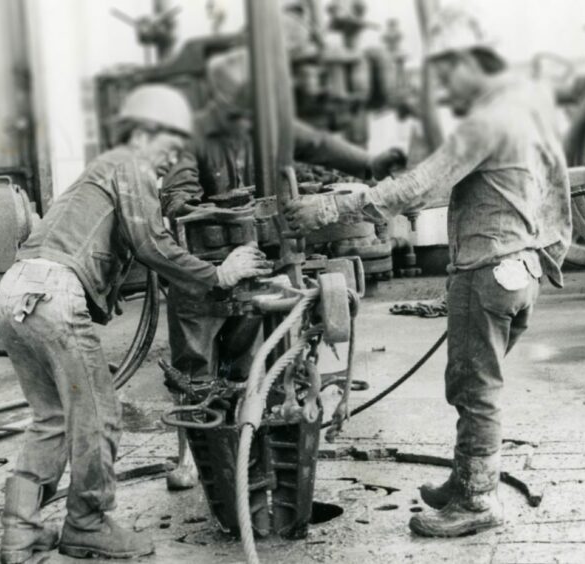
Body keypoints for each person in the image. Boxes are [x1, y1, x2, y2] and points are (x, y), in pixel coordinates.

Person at [284, 5, 572, 538]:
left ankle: (478, 501)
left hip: (486, 272)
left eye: (446, 76)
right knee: (475, 383)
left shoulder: (487, 119)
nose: (445, 90)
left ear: (472, 63)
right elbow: (556, 192)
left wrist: (328, 210)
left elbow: (421, 188)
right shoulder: (525, 110)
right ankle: (466, 481)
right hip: (520, 268)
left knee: (475, 389)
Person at [0, 84, 272, 563]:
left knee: (52, 419)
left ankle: (19, 534)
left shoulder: (102, 171)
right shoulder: (129, 163)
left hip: (14, 293)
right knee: (99, 416)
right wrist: (219, 274)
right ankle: (88, 523)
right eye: (169, 145)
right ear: (143, 132)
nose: (170, 160)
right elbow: (153, 247)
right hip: (54, 295)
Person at [157, 46, 406, 489]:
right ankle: (194, 455)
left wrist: (352, 175)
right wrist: (225, 211)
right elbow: (176, 201)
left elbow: (309, 156)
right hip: (203, 271)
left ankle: (251, 447)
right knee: (195, 371)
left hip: (257, 266)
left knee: (251, 364)